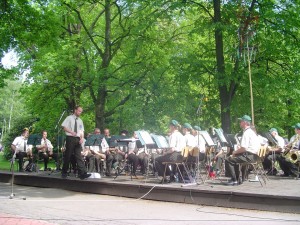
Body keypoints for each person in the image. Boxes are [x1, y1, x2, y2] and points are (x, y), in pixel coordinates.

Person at [225, 115, 261, 185]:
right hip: (254, 156)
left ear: (245, 122)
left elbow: (244, 148)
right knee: (234, 158)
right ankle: (238, 179)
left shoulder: (246, 133)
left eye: (241, 121)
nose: (240, 123)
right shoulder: (251, 132)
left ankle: (234, 179)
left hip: (250, 156)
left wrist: (235, 152)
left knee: (228, 159)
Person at [61, 106, 91, 179]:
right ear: (75, 110)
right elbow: (63, 127)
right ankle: (64, 172)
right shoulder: (69, 118)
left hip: (77, 139)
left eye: (81, 111)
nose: (80, 112)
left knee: (79, 156)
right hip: (70, 138)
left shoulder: (80, 120)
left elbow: (82, 131)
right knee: (68, 155)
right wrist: (71, 132)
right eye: (79, 111)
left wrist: (82, 138)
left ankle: (82, 173)